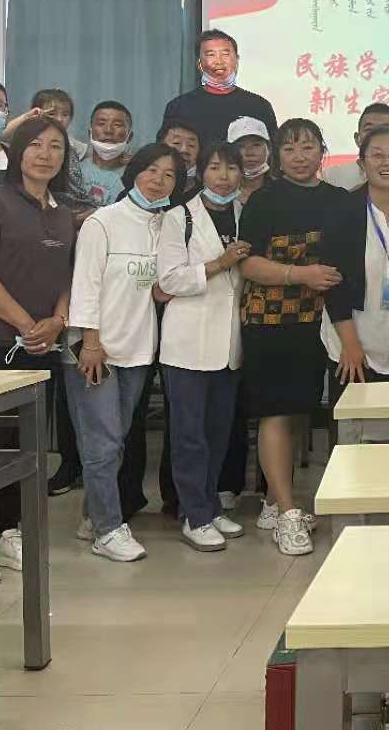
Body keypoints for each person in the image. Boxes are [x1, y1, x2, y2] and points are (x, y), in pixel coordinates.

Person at [0, 115, 75, 582]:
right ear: (17, 152)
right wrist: (27, 325)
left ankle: (9, 530)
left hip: (41, 346)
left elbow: (67, 276)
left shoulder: (62, 213)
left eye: (56, 146)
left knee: (27, 447)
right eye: (36, 144)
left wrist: (58, 321)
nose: (45, 154)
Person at [66, 144, 180, 564]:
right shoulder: (103, 222)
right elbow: (86, 285)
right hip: (97, 349)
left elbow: (157, 284)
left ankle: (91, 515)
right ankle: (108, 529)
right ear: (134, 172)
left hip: (137, 348)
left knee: (115, 440)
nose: (158, 180)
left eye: (169, 175)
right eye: (151, 170)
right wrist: (90, 342)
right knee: (104, 442)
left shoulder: (165, 224)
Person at [237, 119, 346, 555]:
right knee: (277, 412)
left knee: (300, 410)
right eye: (289, 149)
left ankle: (271, 500)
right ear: (277, 156)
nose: (299, 157)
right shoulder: (264, 200)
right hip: (272, 321)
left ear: (322, 150)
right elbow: (247, 263)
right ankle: (286, 512)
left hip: (320, 322)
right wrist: (301, 274)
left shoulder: (339, 200)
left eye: (308, 147)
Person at [157, 143, 251, 552]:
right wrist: (220, 264)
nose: (224, 176)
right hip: (188, 342)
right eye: (214, 167)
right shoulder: (179, 217)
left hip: (229, 342)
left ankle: (210, 506)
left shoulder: (244, 214)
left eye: (231, 168)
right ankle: (193, 515)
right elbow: (169, 279)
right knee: (189, 435)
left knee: (217, 431)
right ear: (200, 172)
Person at [323, 126, 389, 394]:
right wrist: (350, 344)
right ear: (362, 164)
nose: (387, 162)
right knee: (355, 419)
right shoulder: (342, 210)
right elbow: (333, 282)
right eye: (377, 155)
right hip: (352, 346)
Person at [162, 29, 277, 152]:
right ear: (199, 64)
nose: (219, 61)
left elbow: (274, 152)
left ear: (237, 60)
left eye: (225, 54)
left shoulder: (259, 105)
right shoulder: (179, 106)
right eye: (211, 55)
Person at [324, 103, 389, 188]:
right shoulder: (332, 176)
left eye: (385, 130)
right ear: (357, 138)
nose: (376, 136)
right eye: (369, 130)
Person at [78, 100, 135, 209]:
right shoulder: (74, 169)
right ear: (90, 133)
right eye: (101, 124)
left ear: (129, 136)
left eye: (117, 125)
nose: (108, 130)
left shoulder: (137, 176)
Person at [228, 116, 273, 201]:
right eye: (241, 146)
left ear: (269, 149)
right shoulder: (221, 193)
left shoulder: (283, 191)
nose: (249, 153)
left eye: (256, 145)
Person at [159, 119, 202, 205]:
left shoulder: (204, 194)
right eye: (176, 143)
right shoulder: (146, 184)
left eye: (191, 145)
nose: (184, 150)